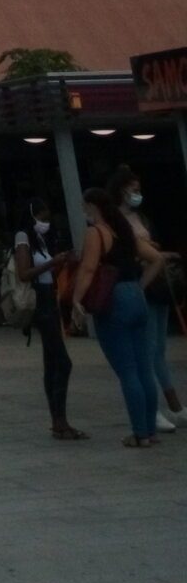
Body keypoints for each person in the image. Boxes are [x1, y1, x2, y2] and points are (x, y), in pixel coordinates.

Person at [69, 183, 164, 447]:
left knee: (127, 370)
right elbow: (157, 259)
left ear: (92, 207)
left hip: (114, 302)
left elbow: (88, 270)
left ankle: (139, 433)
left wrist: (76, 300)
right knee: (145, 368)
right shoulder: (124, 231)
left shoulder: (95, 233)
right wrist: (138, 287)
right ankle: (150, 431)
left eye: (84, 207)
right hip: (136, 295)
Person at [111, 165, 185, 434]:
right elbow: (126, 252)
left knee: (159, 349)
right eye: (134, 190)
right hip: (140, 283)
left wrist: (159, 253)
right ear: (122, 190)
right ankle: (156, 409)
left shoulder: (141, 217)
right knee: (148, 349)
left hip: (157, 283)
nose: (137, 194)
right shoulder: (117, 220)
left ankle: (175, 406)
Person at [12, 199, 82, 441]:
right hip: (40, 302)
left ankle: (59, 422)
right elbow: (24, 273)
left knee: (52, 361)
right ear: (33, 217)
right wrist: (53, 262)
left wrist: (60, 263)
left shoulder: (39, 240)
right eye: (42, 218)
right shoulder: (23, 238)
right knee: (62, 361)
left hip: (48, 298)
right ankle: (60, 421)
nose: (46, 223)